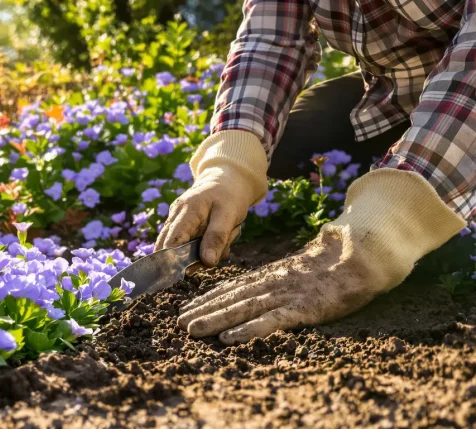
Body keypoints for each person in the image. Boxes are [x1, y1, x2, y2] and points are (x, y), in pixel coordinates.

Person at [157, 0, 474, 344]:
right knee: (291, 149)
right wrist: (229, 166)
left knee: (423, 233)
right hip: (400, 90)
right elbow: (269, 39)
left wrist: (378, 232)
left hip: (463, 89)